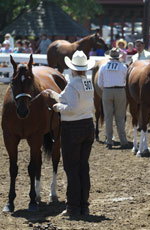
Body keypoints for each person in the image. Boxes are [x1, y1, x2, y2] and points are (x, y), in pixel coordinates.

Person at [44, 50, 95, 216]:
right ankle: (83, 205)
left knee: (71, 168)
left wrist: (57, 107)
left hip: (73, 129)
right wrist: (53, 95)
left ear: (73, 68)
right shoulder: (87, 82)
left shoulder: (73, 84)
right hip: (87, 126)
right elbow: (70, 99)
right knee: (82, 167)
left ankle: (73, 207)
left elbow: (70, 107)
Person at [98, 48, 129, 149]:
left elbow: (99, 83)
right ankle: (123, 140)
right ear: (118, 57)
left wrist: (106, 89)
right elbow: (126, 80)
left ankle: (109, 141)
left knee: (108, 117)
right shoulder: (123, 66)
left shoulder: (103, 66)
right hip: (120, 91)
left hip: (107, 91)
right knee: (120, 117)